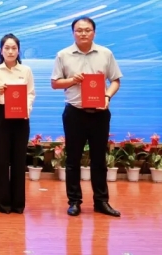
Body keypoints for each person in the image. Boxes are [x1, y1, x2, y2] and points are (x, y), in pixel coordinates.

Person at [51, 17, 122, 217]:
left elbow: (116, 80)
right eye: (79, 30)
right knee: (73, 159)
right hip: (75, 113)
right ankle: (74, 201)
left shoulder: (106, 53)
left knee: (99, 159)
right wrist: (72, 80)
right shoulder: (63, 55)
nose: (83, 33)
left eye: (87, 30)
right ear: (73, 33)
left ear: (94, 32)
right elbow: (55, 83)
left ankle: (101, 201)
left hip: (100, 113)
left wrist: (107, 96)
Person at [0, 34, 35, 214]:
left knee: (19, 160)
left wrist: (26, 109)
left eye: (14, 48)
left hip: (21, 118)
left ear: (18, 50)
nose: (10, 51)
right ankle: (3, 204)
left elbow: (31, 93)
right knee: (1, 160)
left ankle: (18, 204)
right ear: (1, 50)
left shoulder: (26, 70)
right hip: (1, 116)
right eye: (7, 48)